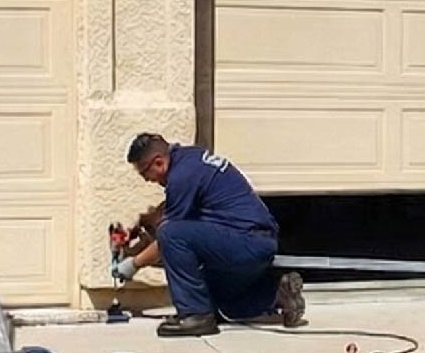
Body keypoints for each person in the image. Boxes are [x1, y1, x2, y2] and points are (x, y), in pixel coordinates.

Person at [113, 133, 305, 337]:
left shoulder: (181, 176)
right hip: (255, 241)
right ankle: (276, 294)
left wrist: (132, 264)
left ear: (159, 163)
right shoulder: (190, 159)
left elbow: (167, 238)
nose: (148, 180)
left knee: (171, 234)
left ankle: (195, 317)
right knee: (212, 302)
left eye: (145, 174)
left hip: (246, 241)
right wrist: (144, 223)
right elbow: (169, 211)